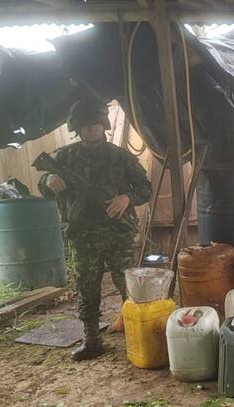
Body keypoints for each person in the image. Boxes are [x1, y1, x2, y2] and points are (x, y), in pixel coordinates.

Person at [38, 98, 153, 360]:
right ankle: (91, 339)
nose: (91, 129)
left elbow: (145, 188)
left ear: (103, 125)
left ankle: (140, 335)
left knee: (129, 286)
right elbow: (43, 186)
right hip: (82, 234)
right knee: (86, 287)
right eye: (85, 124)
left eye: (95, 124)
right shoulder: (64, 157)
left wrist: (126, 198)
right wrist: (49, 181)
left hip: (118, 234)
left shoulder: (120, 157)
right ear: (77, 127)